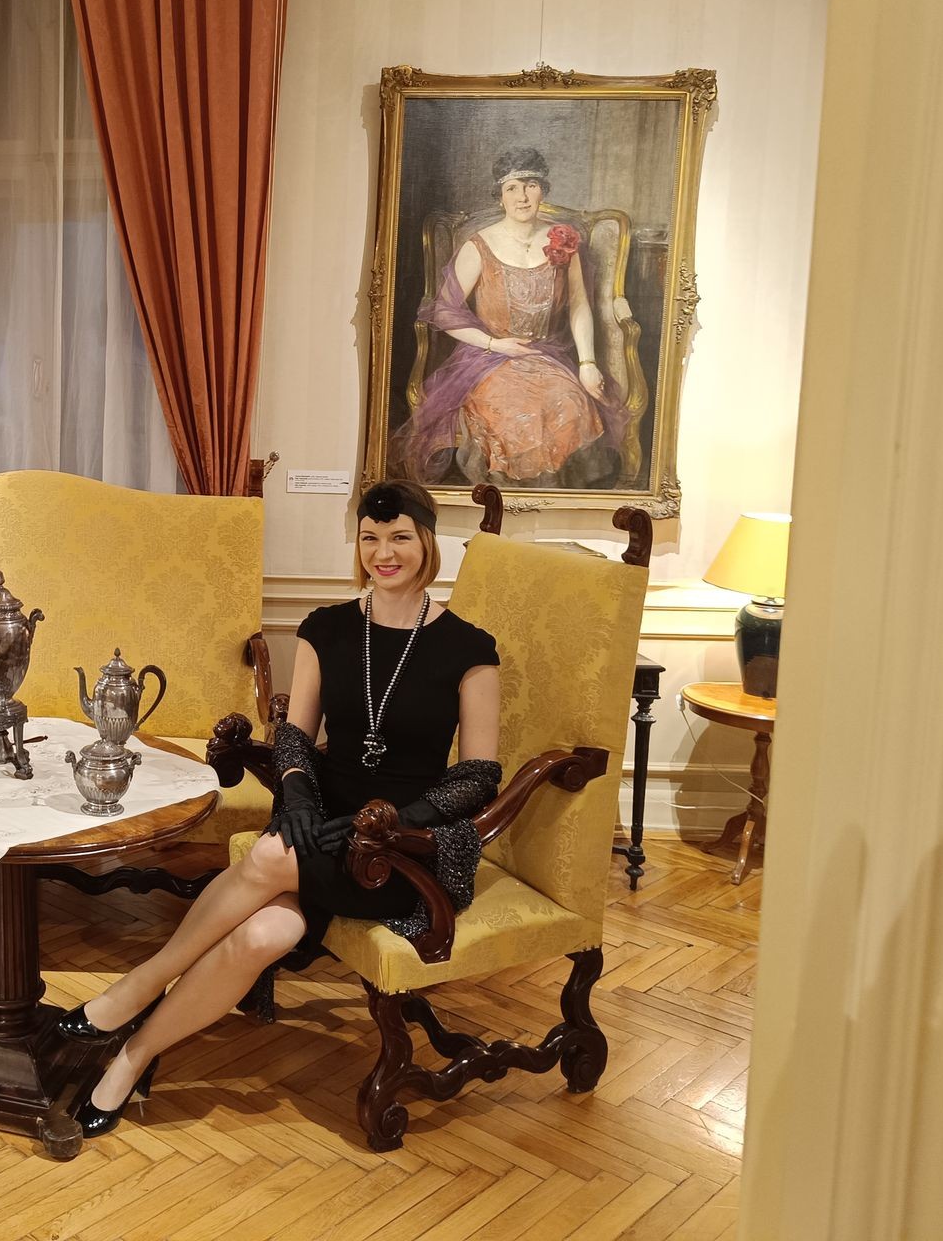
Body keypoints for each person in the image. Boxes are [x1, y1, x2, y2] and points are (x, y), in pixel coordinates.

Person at [55, 481, 503, 1137]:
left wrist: (392, 824)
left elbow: (480, 774)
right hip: (318, 826)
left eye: (401, 537)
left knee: (269, 854)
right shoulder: (326, 628)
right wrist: (295, 792)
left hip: (403, 851)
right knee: (265, 935)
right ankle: (132, 1056)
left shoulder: (469, 647)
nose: (384, 552)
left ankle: (134, 991)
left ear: (428, 543)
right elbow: (294, 731)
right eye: (371, 537)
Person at [397, 147, 623, 488]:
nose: (522, 197)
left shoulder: (563, 242)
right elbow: (444, 310)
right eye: (512, 188)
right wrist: (496, 344)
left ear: (543, 191)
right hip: (488, 359)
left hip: (545, 356)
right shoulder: (479, 245)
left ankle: (552, 508)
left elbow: (578, 304)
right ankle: (506, 506)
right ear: (500, 196)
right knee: (515, 415)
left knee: (570, 404)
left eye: (531, 186)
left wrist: (588, 362)